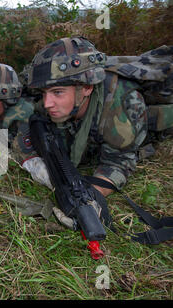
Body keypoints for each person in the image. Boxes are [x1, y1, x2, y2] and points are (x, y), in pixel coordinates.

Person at [20, 36, 158, 197]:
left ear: (86, 88)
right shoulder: (56, 102)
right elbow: (29, 124)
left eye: (57, 92)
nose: (47, 103)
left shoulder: (121, 105)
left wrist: (90, 197)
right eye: (44, 93)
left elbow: (118, 163)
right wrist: (33, 162)